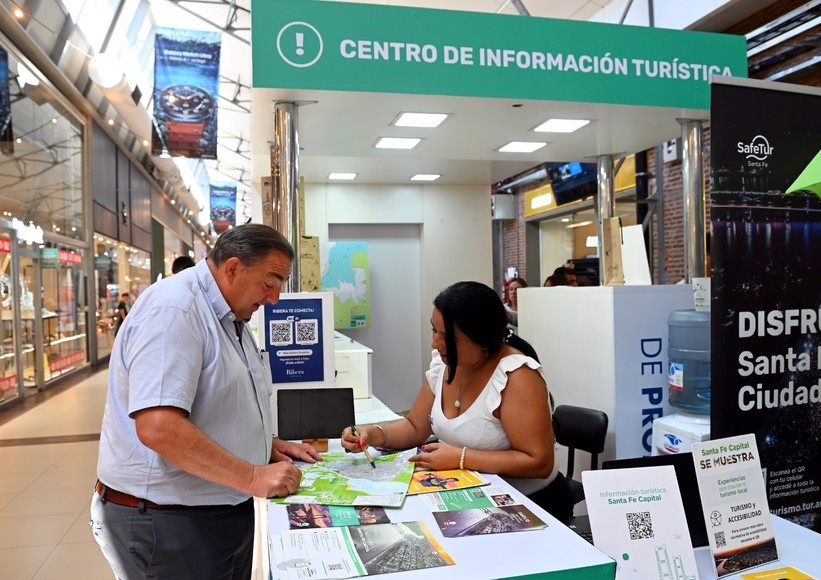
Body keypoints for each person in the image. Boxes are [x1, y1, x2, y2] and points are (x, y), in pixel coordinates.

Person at [91, 224, 322, 580]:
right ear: (232, 268)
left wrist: (262, 444)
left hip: (215, 512)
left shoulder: (229, 315)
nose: (274, 298)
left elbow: (215, 398)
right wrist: (252, 474)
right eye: (269, 281)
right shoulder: (175, 310)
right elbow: (159, 427)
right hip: (167, 523)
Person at [341, 281, 572, 523]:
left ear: (481, 339)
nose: (435, 343)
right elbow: (415, 427)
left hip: (530, 505)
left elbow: (539, 462)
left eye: (448, 337)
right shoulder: (445, 363)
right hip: (472, 497)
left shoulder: (517, 375)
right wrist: (372, 433)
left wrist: (461, 458)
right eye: (434, 331)